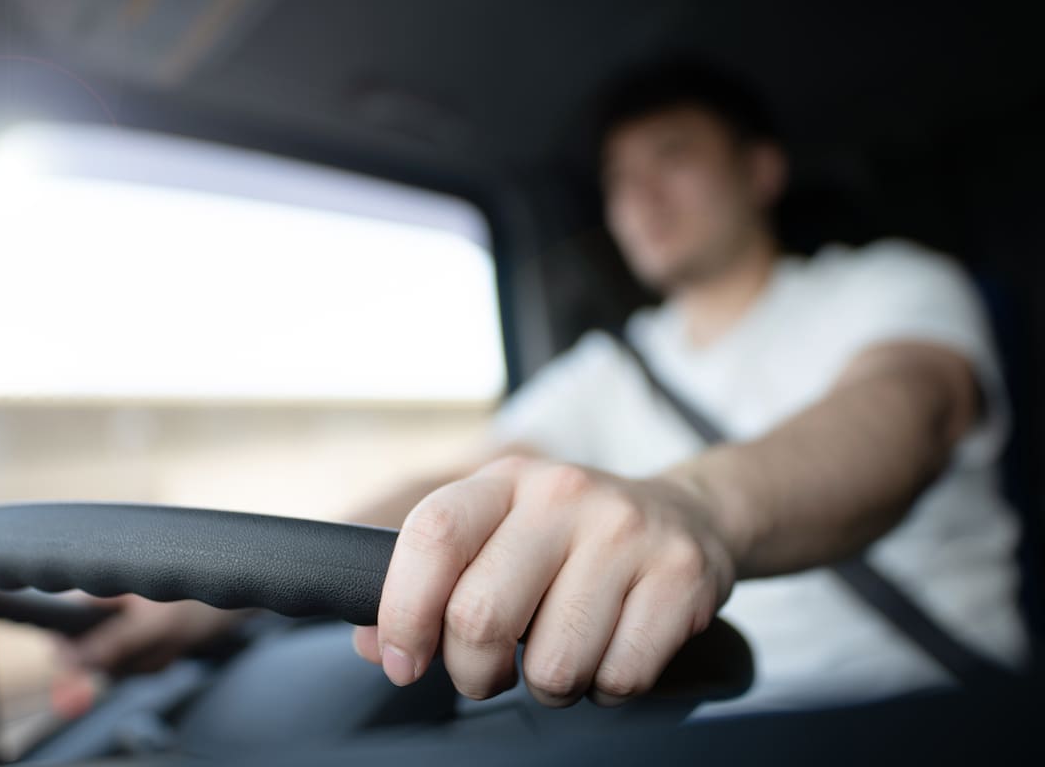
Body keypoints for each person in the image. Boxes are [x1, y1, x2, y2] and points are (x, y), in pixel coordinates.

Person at [56, 59, 1029, 715]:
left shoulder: (891, 284)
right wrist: (213, 590)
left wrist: (695, 502)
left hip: (921, 706)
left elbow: (906, 411)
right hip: (699, 722)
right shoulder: (609, 370)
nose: (638, 197)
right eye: (617, 175)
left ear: (761, 169)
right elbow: (462, 483)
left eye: (674, 156)